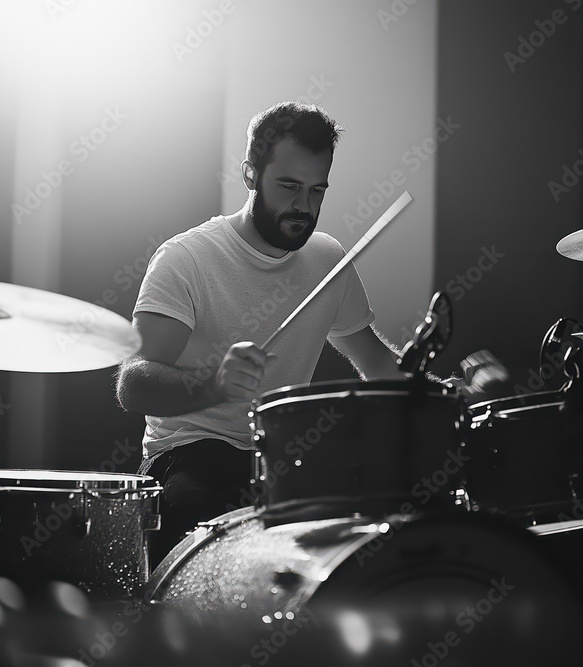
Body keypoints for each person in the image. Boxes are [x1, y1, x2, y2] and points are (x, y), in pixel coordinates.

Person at [116, 102, 405, 560]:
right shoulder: (187, 258)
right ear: (251, 175)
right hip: (191, 454)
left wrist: (440, 395)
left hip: (285, 460)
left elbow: (376, 362)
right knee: (207, 512)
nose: (303, 206)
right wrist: (212, 385)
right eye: (289, 186)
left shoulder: (328, 260)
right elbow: (133, 385)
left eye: (316, 190)